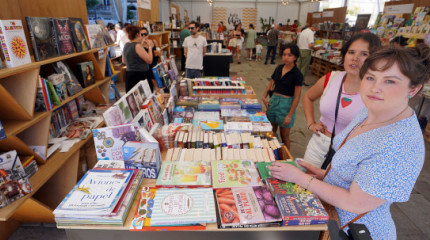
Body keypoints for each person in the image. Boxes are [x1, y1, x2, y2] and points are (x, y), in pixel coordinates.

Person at [268, 44, 430, 240]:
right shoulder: (369, 111)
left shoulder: (401, 143)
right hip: (331, 218)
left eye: (390, 81)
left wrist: (301, 178)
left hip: (355, 231)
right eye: (370, 77)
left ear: (413, 90)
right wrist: (324, 174)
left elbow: (356, 202)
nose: (375, 88)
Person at [302, 33, 381, 168]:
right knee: (306, 184)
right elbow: (308, 97)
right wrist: (311, 124)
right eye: (351, 52)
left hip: (349, 153)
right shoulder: (331, 78)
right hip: (318, 145)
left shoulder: (376, 91)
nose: (355, 58)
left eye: (364, 54)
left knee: (332, 188)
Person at [262, 43, 303, 149]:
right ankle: (272, 152)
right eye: (284, 54)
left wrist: (289, 115)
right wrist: (264, 97)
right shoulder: (279, 68)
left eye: (289, 55)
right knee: (271, 131)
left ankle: (287, 159)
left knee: (284, 136)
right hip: (274, 101)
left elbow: (297, 97)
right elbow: (271, 82)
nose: (286, 57)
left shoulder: (297, 74)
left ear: (295, 57)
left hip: (286, 105)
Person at [122, 25, 154, 92]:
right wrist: (150, 47)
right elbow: (149, 60)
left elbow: (123, 61)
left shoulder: (126, 45)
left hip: (129, 75)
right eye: (140, 34)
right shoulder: (137, 46)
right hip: (140, 75)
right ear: (137, 34)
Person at [139, 27, 160, 93]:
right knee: (149, 88)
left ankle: (158, 92)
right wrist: (142, 44)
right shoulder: (139, 45)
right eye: (141, 35)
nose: (144, 36)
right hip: (146, 67)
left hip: (154, 66)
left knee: (158, 86)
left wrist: (158, 52)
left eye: (145, 34)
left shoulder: (153, 41)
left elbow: (158, 54)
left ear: (148, 34)